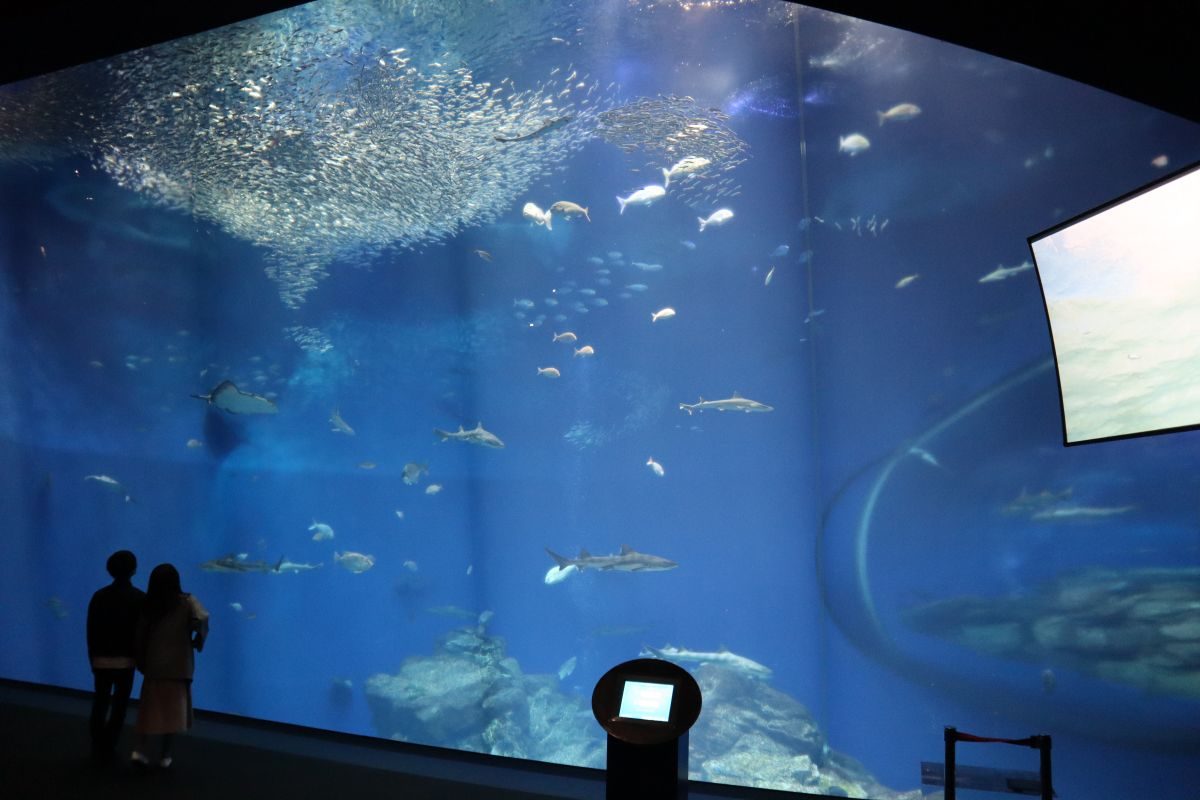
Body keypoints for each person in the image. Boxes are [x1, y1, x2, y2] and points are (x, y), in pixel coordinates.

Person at [132, 563, 209, 769]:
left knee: (149, 709)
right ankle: (165, 755)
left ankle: (140, 750)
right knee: (173, 712)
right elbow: (203, 617)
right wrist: (197, 637)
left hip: (154, 664)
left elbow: (140, 634)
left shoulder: (148, 603)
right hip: (178, 665)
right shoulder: (186, 602)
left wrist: (140, 659)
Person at [86, 550, 145, 763]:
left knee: (100, 702)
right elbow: (142, 632)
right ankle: (109, 745)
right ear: (134, 570)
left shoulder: (99, 596)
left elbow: (91, 631)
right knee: (120, 706)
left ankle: (97, 745)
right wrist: (141, 659)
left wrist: (92, 658)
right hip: (126, 662)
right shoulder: (139, 597)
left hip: (100, 660)